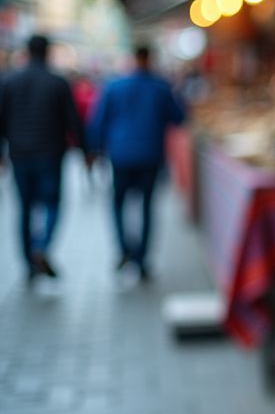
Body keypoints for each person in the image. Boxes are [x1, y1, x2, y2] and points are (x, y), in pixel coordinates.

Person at [89, 46, 186, 281]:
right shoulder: (160, 87)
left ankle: (124, 249)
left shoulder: (114, 86)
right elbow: (179, 118)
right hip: (150, 154)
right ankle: (141, 259)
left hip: (120, 155)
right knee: (146, 207)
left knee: (118, 204)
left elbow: (98, 120)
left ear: (133, 58)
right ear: (149, 59)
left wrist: (95, 150)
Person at [0, 35, 88, 282]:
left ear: (27, 52)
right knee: (52, 203)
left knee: (24, 208)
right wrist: (86, 151)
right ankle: (42, 247)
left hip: (20, 154)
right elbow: (73, 120)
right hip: (50, 154)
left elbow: (1, 119)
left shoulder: (9, 81)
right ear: (47, 52)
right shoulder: (57, 82)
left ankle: (29, 262)